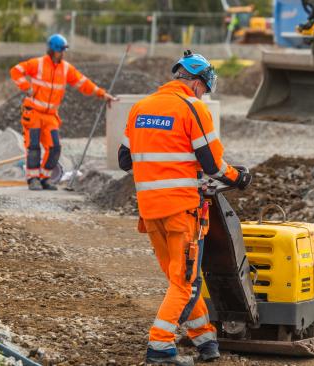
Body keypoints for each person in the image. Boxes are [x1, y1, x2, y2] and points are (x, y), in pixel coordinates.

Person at [118, 50, 252, 366]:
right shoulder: (192, 108)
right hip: (182, 211)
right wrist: (239, 176)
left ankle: (205, 341)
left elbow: (125, 160)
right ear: (195, 82)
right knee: (185, 283)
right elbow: (213, 165)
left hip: (150, 212)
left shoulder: (141, 107)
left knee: (180, 280)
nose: (204, 94)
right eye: (205, 87)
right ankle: (160, 347)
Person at [10, 34, 117, 191]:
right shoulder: (37, 64)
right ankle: (32, 179)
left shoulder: (66, 69)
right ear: (52, 50)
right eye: (61, 50)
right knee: (33, 147)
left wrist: (102, 93)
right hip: (33, 114)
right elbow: (16, 71)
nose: (63, 53)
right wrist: (26, 87)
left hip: (51, 116)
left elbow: (83, 83)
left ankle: (44, 178)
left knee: (55, 148)